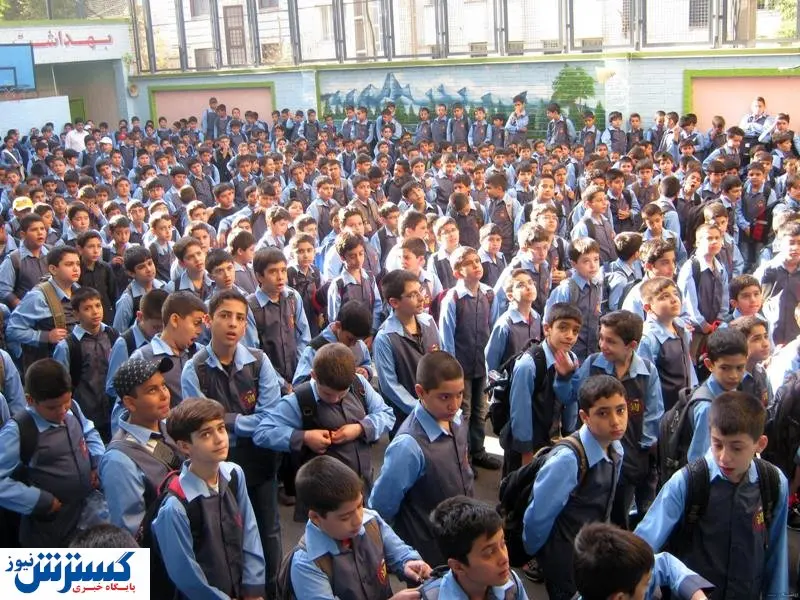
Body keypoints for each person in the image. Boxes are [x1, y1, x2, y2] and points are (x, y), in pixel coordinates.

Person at [635, 391, 788, 598]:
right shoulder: (688, 482)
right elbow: (640, 550)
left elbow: (777, 556)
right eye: (717, 444)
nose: (724, 457)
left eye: (736, 448)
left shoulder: (773, 483)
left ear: (760, 444)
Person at [181, 288, 284, 598]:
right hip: (217, 465)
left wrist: (228, 421)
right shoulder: (195, 369)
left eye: (240, 318)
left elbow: (271, 418)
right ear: (208, 320)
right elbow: (200, 423)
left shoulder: (259, 362)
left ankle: (271, 591)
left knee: (268, 531)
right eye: (225, 316)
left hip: (260, 459)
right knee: (225, 534)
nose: (233, 324)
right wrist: (244, 422)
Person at [254, 342, 394, 521]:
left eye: (341, 394)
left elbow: (387, 414)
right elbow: (262, 432)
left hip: (360, 487)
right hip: (322, 501)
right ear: (314, 375)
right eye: (327, 394)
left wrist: (361, 428)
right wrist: (303, 437)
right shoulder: (299, 400)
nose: (335, 399)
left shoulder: (359, 385)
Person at [150, 397, 266, 600]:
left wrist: (253, 587)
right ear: (184, 446)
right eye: (206, 434)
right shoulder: (175, 507)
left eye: (221, 428)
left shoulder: (234, 474)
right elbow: (186, 575)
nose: (219, 439)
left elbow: (250, 531)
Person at [522, 375, 626, 600]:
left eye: (620, 410)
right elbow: (538, 516)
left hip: (591, 557)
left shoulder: (615, 448)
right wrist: (539, 555)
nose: (616, 421)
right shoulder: (568, 460)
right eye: (603, 413)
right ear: (584, 417)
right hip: (565, 565)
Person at [370, 351, 474, 566]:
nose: (454, 405)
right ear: (420, 392)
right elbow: (382, 505)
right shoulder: (408, 446)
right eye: (444, 397)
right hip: (430, 553)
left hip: (462, 536)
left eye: (459, 394)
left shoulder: (456, 419)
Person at [287, 455, 431, 599]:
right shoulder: (307, 563)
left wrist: (408, 562)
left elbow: (399, 552)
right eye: (345, 517)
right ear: (316, 517)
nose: (358, 520)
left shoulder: (371, 521)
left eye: (359, 505)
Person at [569, 311, 664, 529]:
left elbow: (653, 415)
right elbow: (573, 396)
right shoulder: (593, 364)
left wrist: (641, 449)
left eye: (611, 341)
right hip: (591, 456)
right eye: (601, 338)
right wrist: (565, 378)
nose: (602, 345)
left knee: (619, 514)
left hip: (630, 461)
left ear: (632, 345)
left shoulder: (647, 372)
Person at [0, 358, 105, 546]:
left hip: (87, 515)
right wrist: (38, 500)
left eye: (66, 402)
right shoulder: (19, 430)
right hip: (49, 528)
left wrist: (96, 462)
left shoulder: (72, 408)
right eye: (52, 407)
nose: (62, 411)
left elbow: (89, 432)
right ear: (30, 400)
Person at [100, 356, 183, 535]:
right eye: (152, 390)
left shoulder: (167, 426)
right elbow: (130, 532)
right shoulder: (119, 460)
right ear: (130, 402)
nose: (164, 395)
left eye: (163, 385)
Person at [439, 246, 500, 470]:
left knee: (480, 410)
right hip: (461, 367)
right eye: (469, 263)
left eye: (477, 261)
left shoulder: (488, 294)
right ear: (458, 272)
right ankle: (462, 457)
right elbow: (446, 338)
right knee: (461, 412)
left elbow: (492, 329)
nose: (476, 265)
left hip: (481, 365)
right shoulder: (453, 299)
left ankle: (478, 450)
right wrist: (452, 370)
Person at [505, 303, 582, 474]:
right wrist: (526, 452)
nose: (570, 336)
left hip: (554, 441)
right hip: (527, 445)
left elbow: (572, 400)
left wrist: (570, 435)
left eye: (575, 331)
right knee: (518, 486)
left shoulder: (572, 358)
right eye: (563, 328)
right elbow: (520, 412)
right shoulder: (528, 364)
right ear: (547, 329)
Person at [373, 269, 442, 430]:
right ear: (394, 303)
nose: (421, 298)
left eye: (420, 291)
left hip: (437, 408)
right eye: (412, 295)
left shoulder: (429, 322)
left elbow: (442, 360)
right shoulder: (385, 338)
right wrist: (422, 410)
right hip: (407, 419)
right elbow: (390, 386)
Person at [572, 523, 713, 600]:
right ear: (620, 598)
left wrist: (697, 594)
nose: (649, 586)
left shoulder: (625, 577)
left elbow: (665, 564)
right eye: (646, 584)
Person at [424, 496, 528, 599]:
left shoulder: (512, 584)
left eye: (503, 543)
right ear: (458, 566)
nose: (504, 558)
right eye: (489, 552)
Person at [53, 287, 118, 443]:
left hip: (113, 413)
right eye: (87, 308)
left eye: (98, 305)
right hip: (86, 416)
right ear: (76, 314)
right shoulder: (68, 346)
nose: (95, 312)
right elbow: (60, 385)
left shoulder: (113, 335)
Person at [245, 247, 310, 392]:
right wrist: (281, 384)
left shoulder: (293, 297)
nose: (280, 277)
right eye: (273, 272)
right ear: (259, 276)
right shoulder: (250, 307)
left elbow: (304, 338)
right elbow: (253, 353)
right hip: (267, 384)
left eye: (283, 270)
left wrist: (300, 375)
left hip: (297, 377)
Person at [7, 245, 81, 371]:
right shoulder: (38, 297)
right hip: (48, 368)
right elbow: (13, 330)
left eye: (78, 264)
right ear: (53, 269)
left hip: (76, 363)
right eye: (69, 264)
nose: (76, 268)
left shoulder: (78, 290)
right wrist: (45, 336)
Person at [686, 328, 749, 462]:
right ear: (709, 364)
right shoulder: (707, 408)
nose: (734, 375)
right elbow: (698, 460)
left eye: (739, 368)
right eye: (725, 368)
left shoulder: (734, 390)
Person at [637, 277, 696, 412]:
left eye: (675, 294)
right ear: (648, 307)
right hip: (664, 410)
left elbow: (688, 365)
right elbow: (646, 383)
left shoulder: (681, 326)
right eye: (664, 297)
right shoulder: (648, 338)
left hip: (685, 403)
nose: (674, 299)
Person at [545, 238, 603, 361]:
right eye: (586, 261)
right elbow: (550, 322)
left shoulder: (597, 286)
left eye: (596, 259)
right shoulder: (566, 289)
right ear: (573, 264)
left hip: (591, 352)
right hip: (568, 353)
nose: (593, 265)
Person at [293, 300, 373, 385]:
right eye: (350, 339)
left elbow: (367, 362)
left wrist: (365, 371)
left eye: (357, 340)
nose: (353, 344)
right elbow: (299, 383)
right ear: (338, 326)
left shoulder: (359, 344)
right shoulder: (315, 349)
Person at [112, 246, 169, 332]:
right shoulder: (127, 299)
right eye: (141, 267)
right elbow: (118, 332)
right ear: (131, 273)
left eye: (150, 263)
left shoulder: (164, 287)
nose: (148, 269)